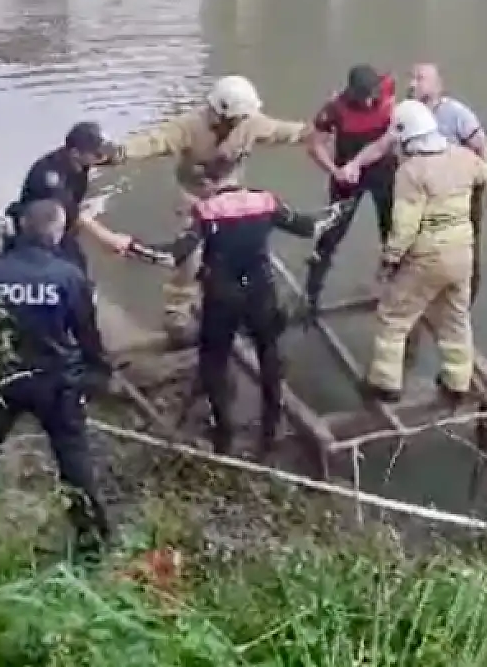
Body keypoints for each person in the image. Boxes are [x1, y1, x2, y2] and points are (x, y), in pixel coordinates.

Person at [93, 168, 339, 459]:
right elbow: (311, 227)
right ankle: (270, 431)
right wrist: (341, 209)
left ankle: (224, 434)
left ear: (209, 183)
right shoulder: (265, 201)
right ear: (236, 175)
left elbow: (172, 255)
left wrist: (131, 247)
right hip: (260, 290)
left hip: (223, 295)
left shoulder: (206, 212)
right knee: (268, 355)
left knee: (214, 362)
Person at [103, 74, 310, 342]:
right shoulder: (189, 126)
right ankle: (177, 312)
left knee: (240, 251)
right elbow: (154, 141)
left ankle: (239, 303)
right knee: (190, 256)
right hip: (194, 197)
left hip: (229, 197)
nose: (241, 123)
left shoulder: (250, 123)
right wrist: (120, 153)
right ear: (219, 113)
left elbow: (282, 131)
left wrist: (313, 131)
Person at [0, 199, 113, 553]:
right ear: (56, 231)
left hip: (2, 379)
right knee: (74, 461)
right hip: (55, 382)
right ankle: (92, 538)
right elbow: (87, 335)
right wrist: (96, 374)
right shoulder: (68, 275)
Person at [364, 99, 487, 405]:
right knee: (455, 319)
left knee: (394, 316)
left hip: (427, 256)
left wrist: (389, 260)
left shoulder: (412, 172)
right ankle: (457, 382)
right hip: (462, 254)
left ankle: (385, 384)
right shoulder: (463, 157)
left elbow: (404, 226)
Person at [339, 62, 487, 298]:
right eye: (412, 78)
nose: (412, 84)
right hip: (423, 189)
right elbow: (383, 145)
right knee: (416, 243)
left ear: (438, 85)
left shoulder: (457, 113)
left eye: (420, 79)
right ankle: (417, 294)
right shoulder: (407, 113)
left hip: (458, 188)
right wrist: (355, 164)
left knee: (463, 246)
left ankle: (462, 297)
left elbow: (483, 150)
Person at [304, 64, 397, 314]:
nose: (371, 101)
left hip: (384, 172)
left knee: (395, 232)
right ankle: (311, 294)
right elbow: (314, 145)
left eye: (374, 95)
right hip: (348, 177)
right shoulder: (335, 110)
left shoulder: (388, 88)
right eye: (365, 96)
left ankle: (394, 285)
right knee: (331, 233)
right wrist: (335, 171)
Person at [11, 121, 116, 273]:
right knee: (67, 272)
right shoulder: (50, 175)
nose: (102, 157)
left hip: (61, 229)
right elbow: (71, 211)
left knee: (79, 269)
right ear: (75, 153)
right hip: (38, 235)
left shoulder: (80, 163)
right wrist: (108, 238)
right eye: (98, 154)